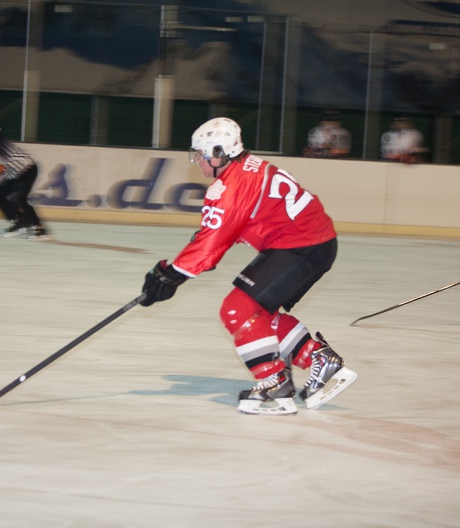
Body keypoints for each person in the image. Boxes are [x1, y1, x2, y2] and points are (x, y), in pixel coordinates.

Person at [140, 117, 357, 416]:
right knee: (259, 314)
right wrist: (201, 251)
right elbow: (243, 221)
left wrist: (169, 275)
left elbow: (210, 243)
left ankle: (274, 383)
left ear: (218, 154)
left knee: (237, 310)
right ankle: (318, 358)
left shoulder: (231, 185)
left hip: (301, 247)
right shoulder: (250, 166)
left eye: (200, 156)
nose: (197, 163)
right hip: (314, 244)